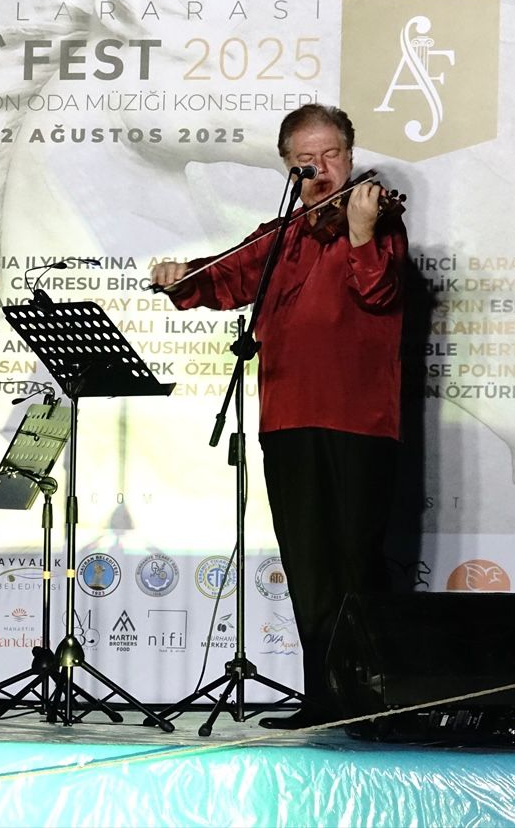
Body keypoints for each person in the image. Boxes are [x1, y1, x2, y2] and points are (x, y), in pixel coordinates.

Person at [150, 104, 407, 729]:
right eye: (305, 159)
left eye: (331, 155)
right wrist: (181, 279)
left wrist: (361, 233)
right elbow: (222, 279)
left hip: (358, 420)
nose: (320, 168)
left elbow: (379, 291)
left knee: (357, 561)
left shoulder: (379, 221)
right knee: (308, 565)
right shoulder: (281, 234)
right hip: (287, 417)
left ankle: (375, 704)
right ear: (289, 166)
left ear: (349, 156)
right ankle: (323, 699)